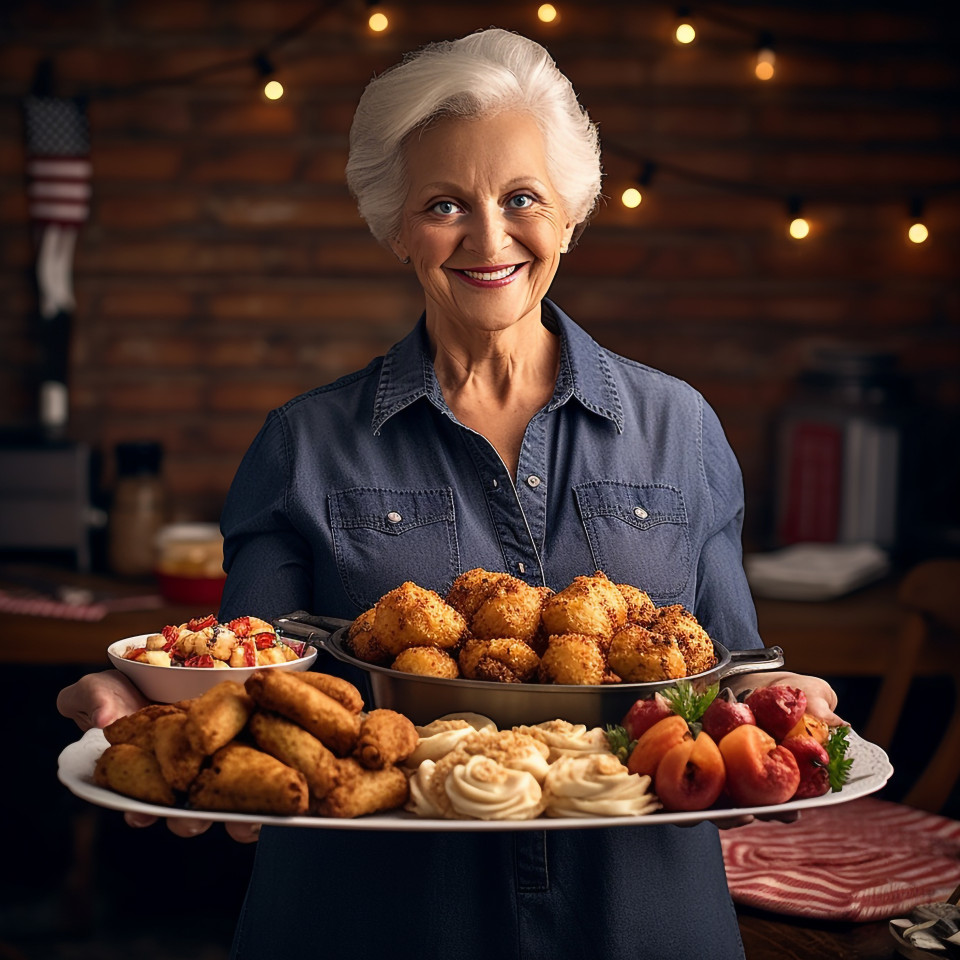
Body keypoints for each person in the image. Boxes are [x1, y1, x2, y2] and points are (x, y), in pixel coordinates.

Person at [59, 28, 841, 960]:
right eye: (443, 204)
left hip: (639, 921)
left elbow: (730, 669)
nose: (489, 236)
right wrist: (151, 700)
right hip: (373, 924)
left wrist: (785, 705)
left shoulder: (683, 426)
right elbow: (248, 681)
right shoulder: (302, 445)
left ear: (571, 215)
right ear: (396, 227)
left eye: (522, 198)